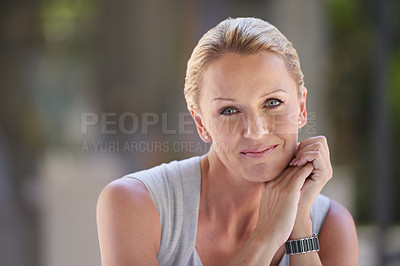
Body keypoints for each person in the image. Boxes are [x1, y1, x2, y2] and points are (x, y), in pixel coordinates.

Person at [96, 17, 358, 265]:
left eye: (273, 103)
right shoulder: (135, 204)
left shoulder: (331, 226)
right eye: (229, 110)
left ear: (301, 108)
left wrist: (299, 225)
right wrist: (266, 236)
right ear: (201, 123)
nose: (255, 131)